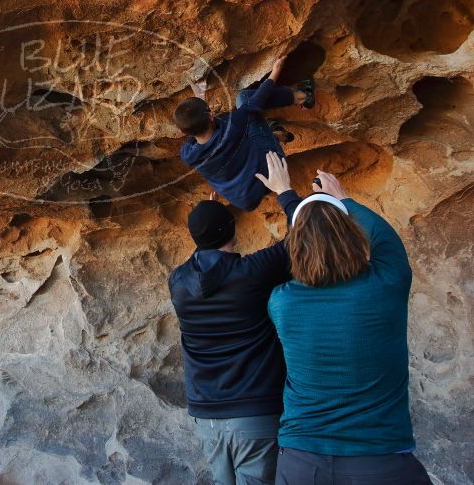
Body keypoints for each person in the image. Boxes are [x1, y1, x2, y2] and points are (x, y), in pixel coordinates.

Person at [255, 153, 432, 485]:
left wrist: (287, 195)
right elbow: (384, 237)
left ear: (295, 247)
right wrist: (342, 198)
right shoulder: (386, 285)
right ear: (353, 235)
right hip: (379, 464)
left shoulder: (282, 302)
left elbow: (311, 240)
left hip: (301, 463)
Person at [167, 186, 301, 485]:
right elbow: (303, 240)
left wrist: (208, 223)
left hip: (207, 417)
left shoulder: (178, 282)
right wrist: (286, 193)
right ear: (233, 231)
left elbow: (202, 258)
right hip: (255, 413)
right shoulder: (252, 272)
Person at [174, 56, 314, 212]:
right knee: (244, 99)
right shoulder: (232, 126)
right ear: (210, 116)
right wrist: (276, 70)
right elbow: (257, 101)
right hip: (274, 172)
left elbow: (197, 123)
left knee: (243, 140)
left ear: (182, 132)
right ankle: (302, 97)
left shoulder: (188, 155)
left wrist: (199, 99)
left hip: (246, 198)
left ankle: (277, 134)